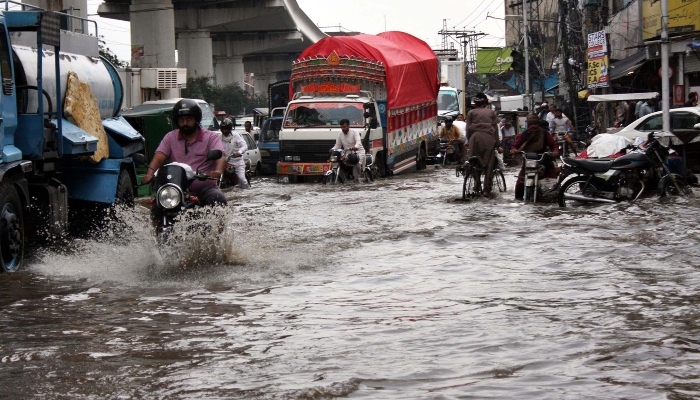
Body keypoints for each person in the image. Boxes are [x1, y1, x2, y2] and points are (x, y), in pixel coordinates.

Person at [141, 99, 228, 222]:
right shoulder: (170, 137)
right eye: (182, 120)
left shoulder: (211, 137)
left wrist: (217, 171)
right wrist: (149, 174)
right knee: (157, 207)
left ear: (196, 119)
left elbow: (220, 156)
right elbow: (159, 158)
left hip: (203, 188)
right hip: (175, 189)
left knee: (218, 198)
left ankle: (218, 237)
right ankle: (157, 235)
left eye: (189, 119)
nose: (185, 123)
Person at [510, 114, 559, 200]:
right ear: (528, 125)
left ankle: (554, 194)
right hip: (529, 158)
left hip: (542, 157)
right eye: (531, 124)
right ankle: (518, 199)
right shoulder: (523, 135)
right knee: (520, 181)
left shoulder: (544, 133)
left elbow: (553, 144)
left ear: (538, 124)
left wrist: (555, 151)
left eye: (535, 124)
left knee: (551, 174)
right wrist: (514, 150)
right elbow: (515, 145)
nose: (533, 126)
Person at [466, 92, 499, 197]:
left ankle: (476, 183)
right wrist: (497, 144)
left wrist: (469, 141)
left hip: (475, 139)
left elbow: (468, 130)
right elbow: (496, 129)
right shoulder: (491, 113)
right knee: (489, 165)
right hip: (489, 139)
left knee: (473, 161)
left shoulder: (471, 113)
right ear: (485, 103)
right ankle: (486, 190)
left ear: (475, 103)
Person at [330, 118, 365, 182]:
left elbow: (358, 141)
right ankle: (345, 176)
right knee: (339, 161)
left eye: (344, 127)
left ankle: (358, 177)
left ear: (348, 126)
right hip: (347, 153)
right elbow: (338, 145)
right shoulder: (340, 134)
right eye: (341, 127)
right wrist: (333, 149)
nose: (343, 129)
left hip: (358, 152)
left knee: (356, 161)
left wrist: (356, 146)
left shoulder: (355, 132)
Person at [220, 118, 250, 189]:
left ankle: (247, 191)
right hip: (224, 163)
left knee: (242, 179)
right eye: (223, 128)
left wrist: (239, 152)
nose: (224, 130)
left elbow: (244, 146)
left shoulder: (236, 136)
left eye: (226, 128)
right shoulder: (218, 138)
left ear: (230, 128)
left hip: (237, 163)